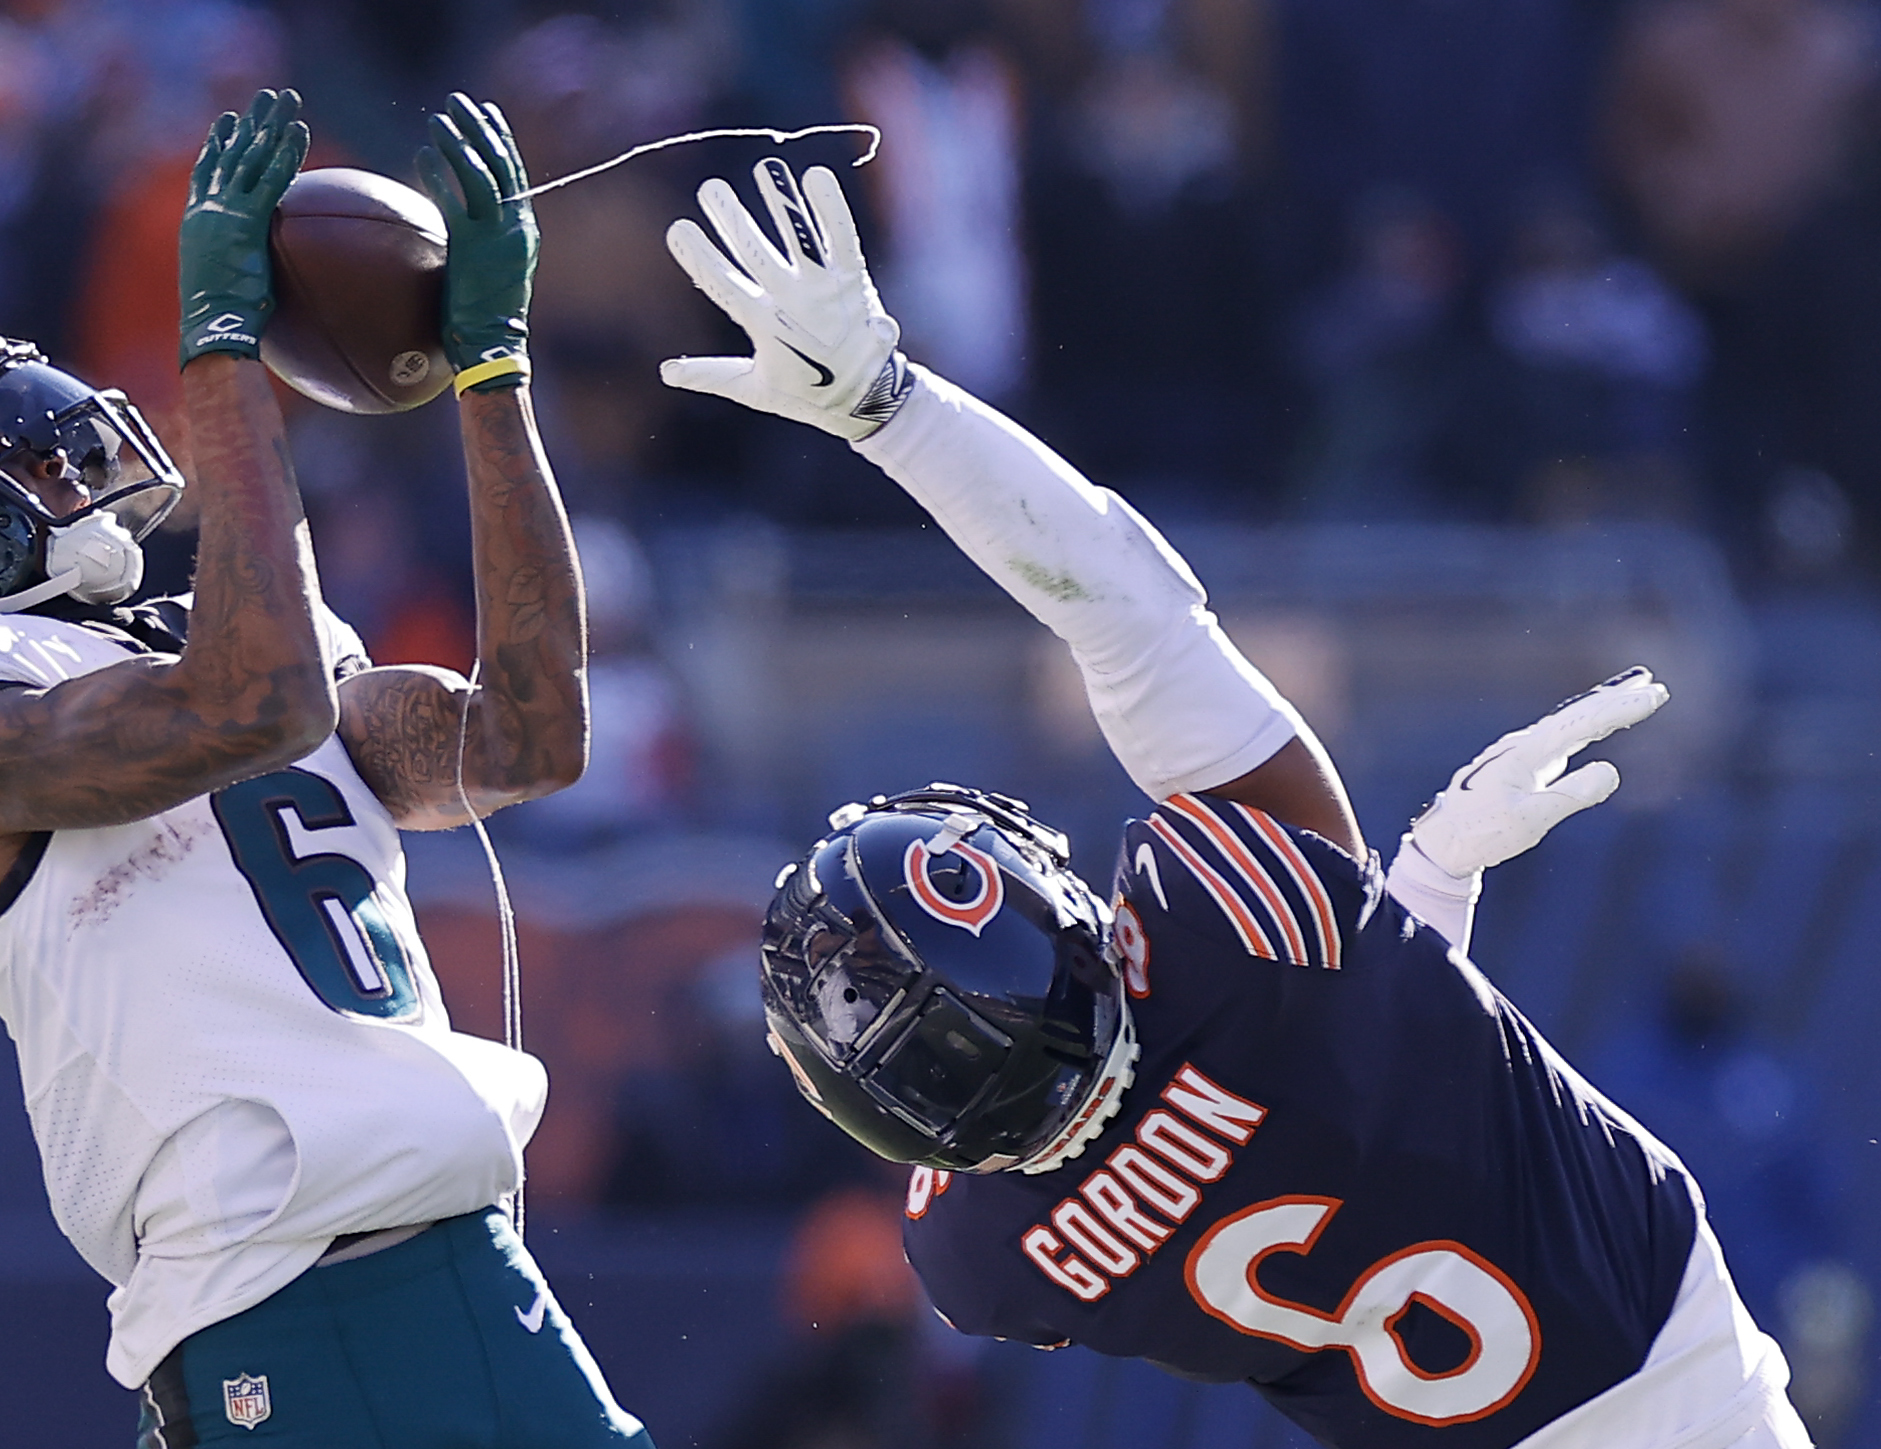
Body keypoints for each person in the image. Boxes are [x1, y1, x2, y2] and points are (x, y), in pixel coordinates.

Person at [658, 158, 1809, 1446]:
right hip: (1674, 1367)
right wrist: (890, 406)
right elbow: (1122, 597)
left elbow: (1340, 1088)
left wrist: (1426, 894)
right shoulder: (1247, 931)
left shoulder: (992, 1266)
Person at [0, 89, 650, 1448]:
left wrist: (496, 378)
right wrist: (224, 357)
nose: (46, 460)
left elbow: (527, 736)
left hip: (452, 1271)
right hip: (303, 1300)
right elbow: (247, 704)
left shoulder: (181, 638)